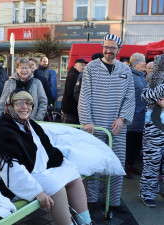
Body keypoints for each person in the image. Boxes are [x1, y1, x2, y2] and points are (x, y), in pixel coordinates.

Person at [0, 90, 93, 225]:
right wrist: (37, 192)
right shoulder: (4, 132)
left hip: (31, 171)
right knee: (55, 185)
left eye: (28, 102)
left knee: (72, 173)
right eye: (19, 103)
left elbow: (47, 150)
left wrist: (61, 159)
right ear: (10, 107)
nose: (25, 106)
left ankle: (85, 222)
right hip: (8, 183)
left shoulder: (30, 125)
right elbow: (11, 171)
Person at [78, 34, 135, 213]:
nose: (109, 51)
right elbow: (84, 96)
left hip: (117, 127)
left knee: (117, 163)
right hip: (94, 125)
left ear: (119, 49)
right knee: (93, 163)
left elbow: (130, 97)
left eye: (112, 48)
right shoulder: (91, 68)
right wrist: (87, 121)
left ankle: (113, 201)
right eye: (106, 47)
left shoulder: (125, 70)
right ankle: (91, 200)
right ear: (102, 47)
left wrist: (122, 118)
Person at [139, 54, 164, 208]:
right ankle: (147, 194)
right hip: (154, 129)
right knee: (152, 162)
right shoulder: (154, 82)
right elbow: (145, 96)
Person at [0, 58, 47, 126]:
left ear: (30, 69)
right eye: (21, 68)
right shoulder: (9, 83)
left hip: (31, 122)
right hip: (12, 123)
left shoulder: (37, 83)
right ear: (16, 69)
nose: (24, 70)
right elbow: (2, 103)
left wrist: (37, 120)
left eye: (27, 68)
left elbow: (43, 102)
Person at [125, 53, 147, 179]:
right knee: (130, 144)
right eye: (142, 61)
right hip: (133, 117)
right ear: (135, 63)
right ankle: (124, 166)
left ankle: (130, 164)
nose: (144, 63)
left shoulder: (142, 76)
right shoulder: (130, 76)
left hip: (142, 117)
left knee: (136, 145)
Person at [61, 58, 88, 124]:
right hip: (71, 110)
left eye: (85, 65)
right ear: (75, 66)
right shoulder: (73, 76)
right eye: (81, 65)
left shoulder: (76, 75)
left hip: (71, 109)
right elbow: (71, 93)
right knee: (68, 131)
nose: (84, 67)